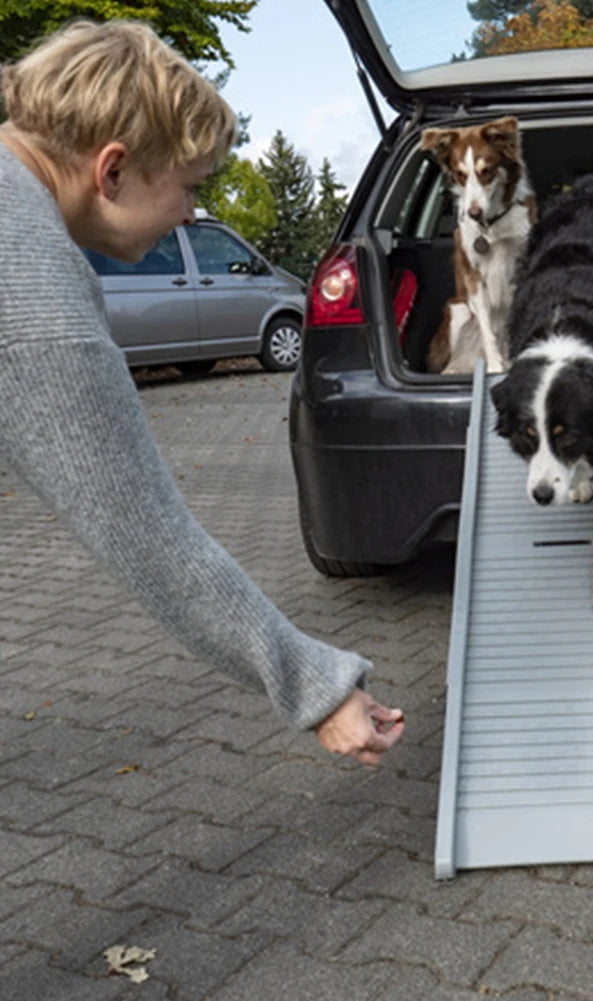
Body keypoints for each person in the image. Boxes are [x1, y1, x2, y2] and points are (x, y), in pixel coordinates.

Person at [0, 19, 404, 765]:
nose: (192, 212)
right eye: (188, 186)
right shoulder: (31, 286)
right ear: (112, 169)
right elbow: (147, 535)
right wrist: (317, 685)